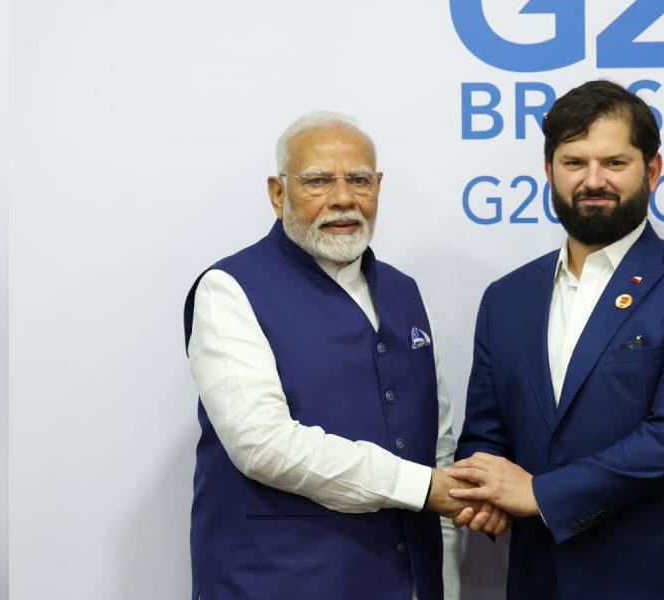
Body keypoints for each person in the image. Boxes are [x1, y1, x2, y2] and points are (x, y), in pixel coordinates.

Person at [448, 80, 664, 599]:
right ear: (549, 171)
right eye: (574, 162)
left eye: (614, 163)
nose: (593, 180)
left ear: (651, 171)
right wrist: (484, 492)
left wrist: (538, 493)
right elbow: (486, 433)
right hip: (543, 580)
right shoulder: (506, 298)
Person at [182, 111, 478, 600]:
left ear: (378, 186)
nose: (343, 199)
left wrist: (444, 583)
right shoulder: (229, 289)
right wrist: (422, 487)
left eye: (359, 180)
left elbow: (437, 443)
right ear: (278, 194)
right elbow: (262, 444)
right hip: (277, 583)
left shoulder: (404, 293)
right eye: (318, 181)